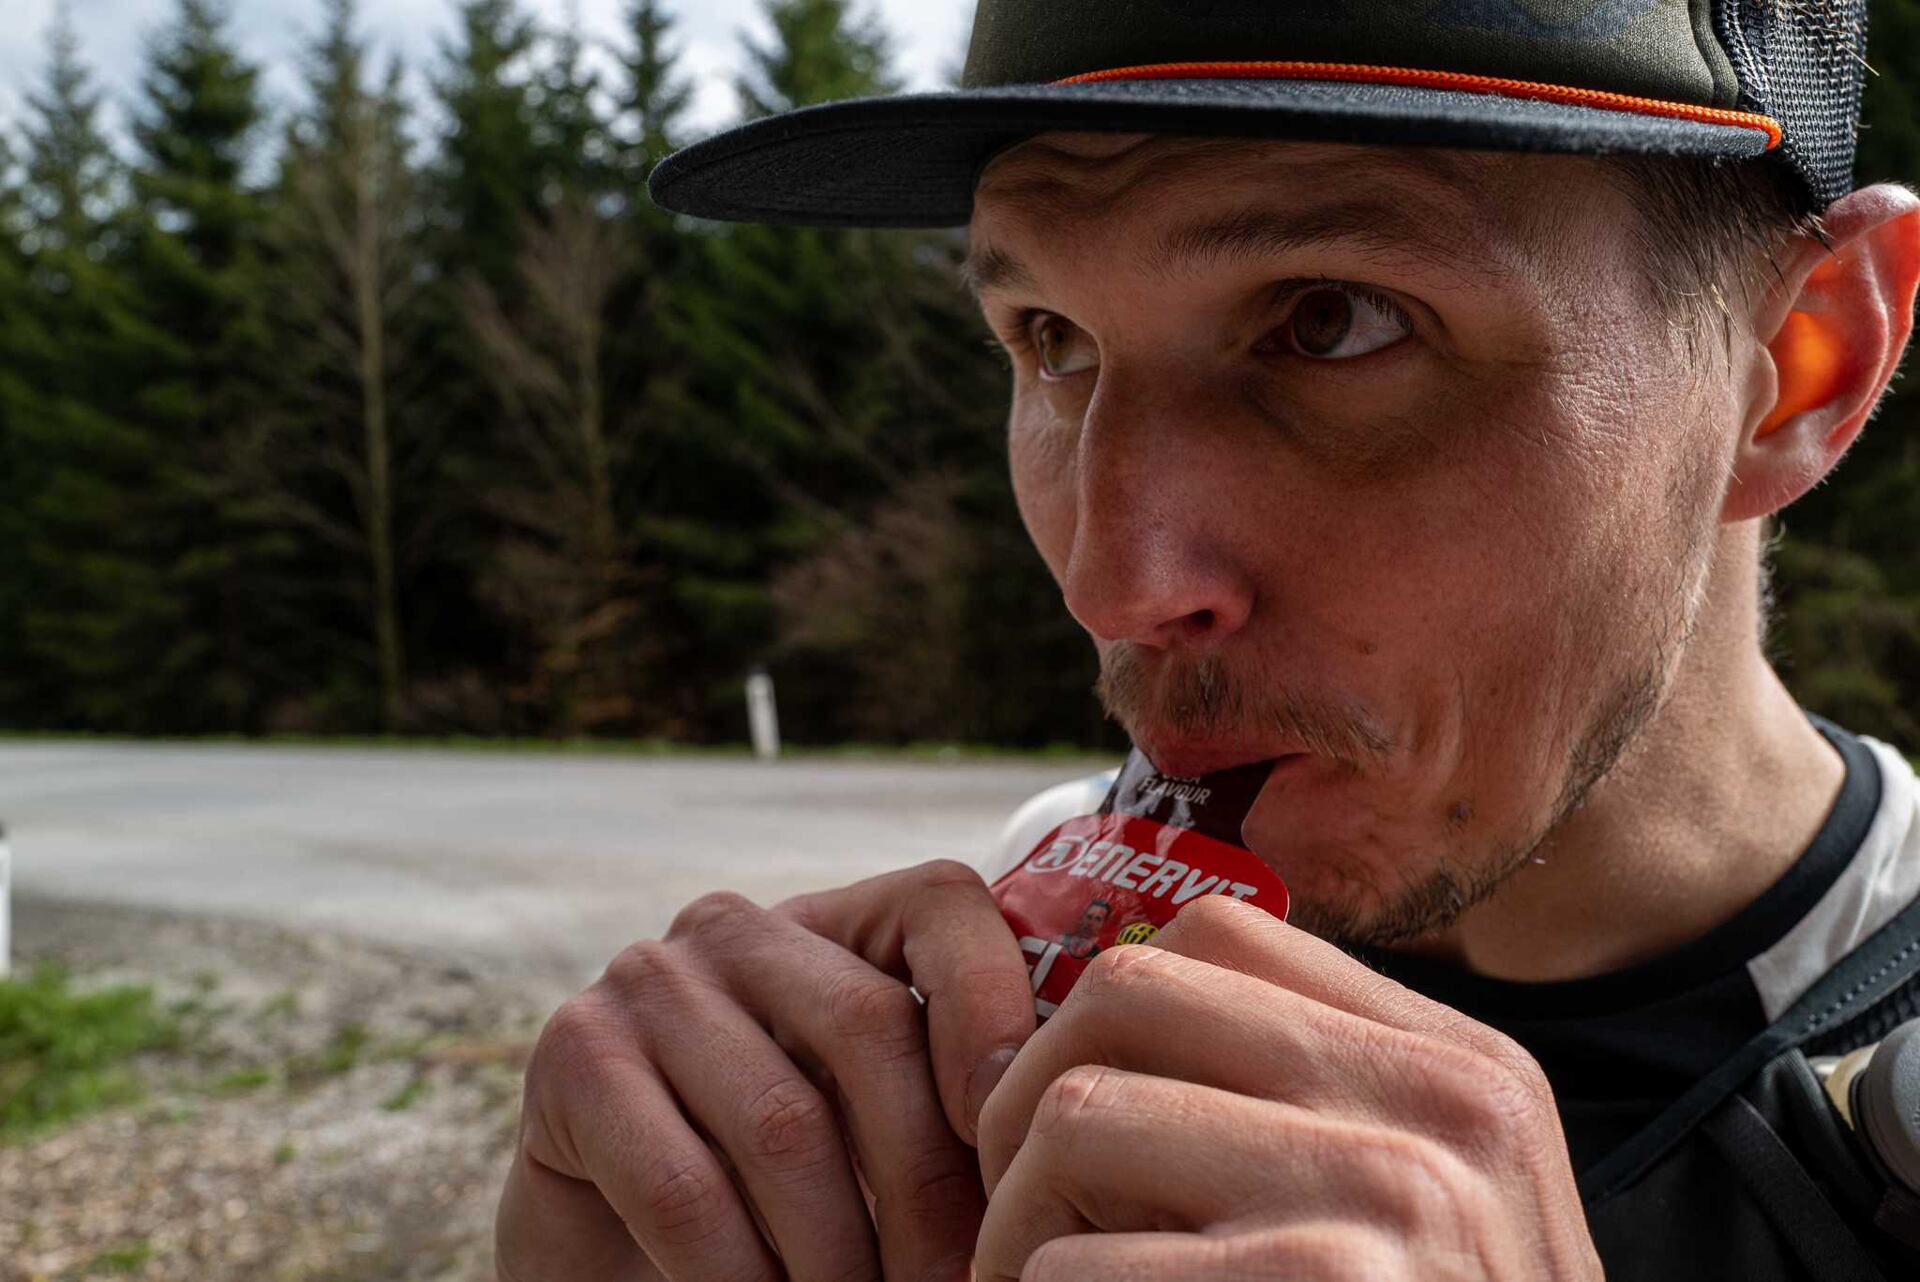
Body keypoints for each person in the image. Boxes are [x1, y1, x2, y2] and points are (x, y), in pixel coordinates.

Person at [495, 2, 1920, 1278]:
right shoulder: (1034, 938)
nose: (1113, 584)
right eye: (1051, 337)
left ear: (1803, 363)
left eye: (1332, 320)